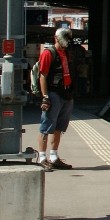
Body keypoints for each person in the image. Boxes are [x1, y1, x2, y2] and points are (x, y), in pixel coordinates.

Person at [35, 27, 77, 171]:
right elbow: (43, 76)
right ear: (56, 38)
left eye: (68, 39)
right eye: (65, 39)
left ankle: (53, 157)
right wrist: (45, 97)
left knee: (60, 126)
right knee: (46, 126)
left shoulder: (67, 53)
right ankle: (42, 158)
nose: (67, 42)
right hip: (53, 93)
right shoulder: (48, 53)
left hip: (67, 94)